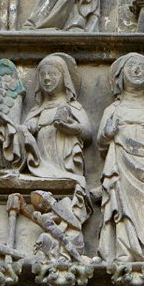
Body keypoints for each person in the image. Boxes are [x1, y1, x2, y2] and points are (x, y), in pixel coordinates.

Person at [98, 53, 144, 262]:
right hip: (121, 164)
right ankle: (124, 252)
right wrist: (108, 133)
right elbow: (101, 141)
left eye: (142, 67)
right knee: (122, 207)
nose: (137, 70)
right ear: (120, 77)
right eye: (132, 67)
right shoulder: (114, 109)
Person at [24, 53, 92, 216]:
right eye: (43, 75)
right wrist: (29, 127)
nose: (47, 79)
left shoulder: (72, 106)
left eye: (52, 74)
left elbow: (88, 133)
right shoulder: (36, 110)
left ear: (64, 78)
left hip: (64, 157)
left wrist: (70, 127)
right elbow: (25, 133)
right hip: (40, 162)